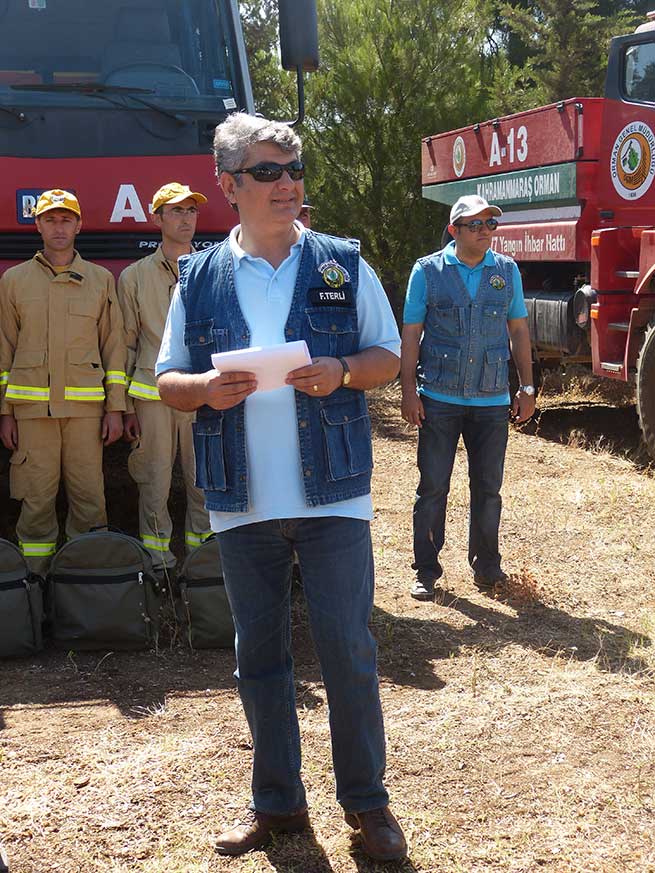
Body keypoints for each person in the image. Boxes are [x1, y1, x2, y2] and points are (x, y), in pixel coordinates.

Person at [155, 113, 407, 862]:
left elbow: (388, 356)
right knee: (259, 660)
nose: (288, 183)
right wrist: (203, 388)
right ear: (228, 185)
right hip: (242, 501)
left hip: (333, 497)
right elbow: (166, 380)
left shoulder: (341, 264)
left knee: (348, 651)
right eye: (268, 171)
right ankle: (278, 806)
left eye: (294, 170)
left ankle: (368, 806)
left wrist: (343, 371)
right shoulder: (198, 277)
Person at [401, 194, 535, 601]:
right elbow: (411, 334)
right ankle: (426, 571)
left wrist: (527, 387)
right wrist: (408, 391)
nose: (484, 231)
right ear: (453, 230)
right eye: (474, 224)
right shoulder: (427, 271)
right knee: (433, 487)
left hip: (492, 400)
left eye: (490, 224)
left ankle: (487, 567)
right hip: (438, 397)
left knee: (488, 489)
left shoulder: (506, 271)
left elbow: (518, 331)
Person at [0, 189, 126, 574]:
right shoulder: (13, 281)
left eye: (66, 219)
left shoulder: (100, 280)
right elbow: (4, 350)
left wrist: (116, 408)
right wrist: (5, 413)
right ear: (37, 225)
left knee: (90, 501)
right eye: (50, 220)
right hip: (31, 414)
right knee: (35, 500)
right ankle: (35, 584)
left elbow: (114, 348)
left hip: (85, 413)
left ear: (79, 225)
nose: (59, 227)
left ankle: (85, 583)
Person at [117, 183, 211, 571]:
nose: (185, 219)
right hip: (151, 396)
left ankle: (203, 561)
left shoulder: (210, 271)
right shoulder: (134, 277)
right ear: (157, 219)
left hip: (202, 391)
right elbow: (124, 344)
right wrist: (123, 407)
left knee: (203, 479)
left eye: (191, 210)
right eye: (176, 211)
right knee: (153, 481)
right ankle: (158, 564)